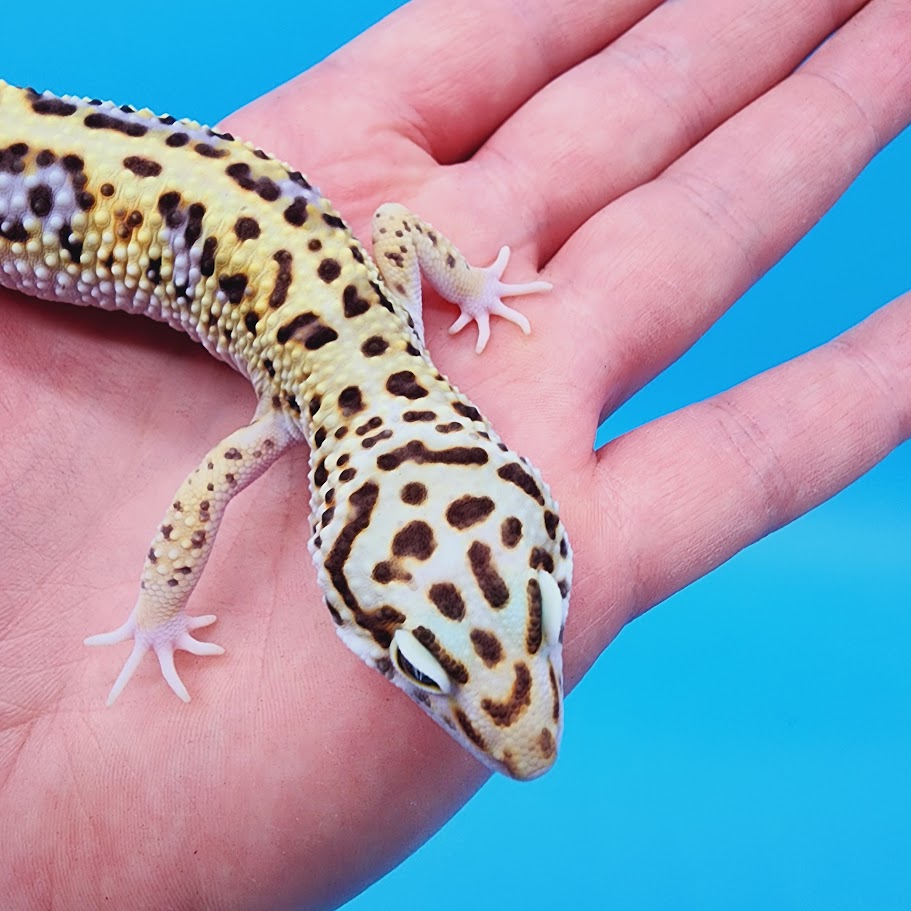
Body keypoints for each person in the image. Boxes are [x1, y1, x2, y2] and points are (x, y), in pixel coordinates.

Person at [2, 0, 909, 908]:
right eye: (428, 677)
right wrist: (154, 612)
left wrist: (467, 282)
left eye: (541, 625)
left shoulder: (372, 339)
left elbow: (395, 229)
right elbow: (200, 493)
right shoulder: (315, 390)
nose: (526, 741)